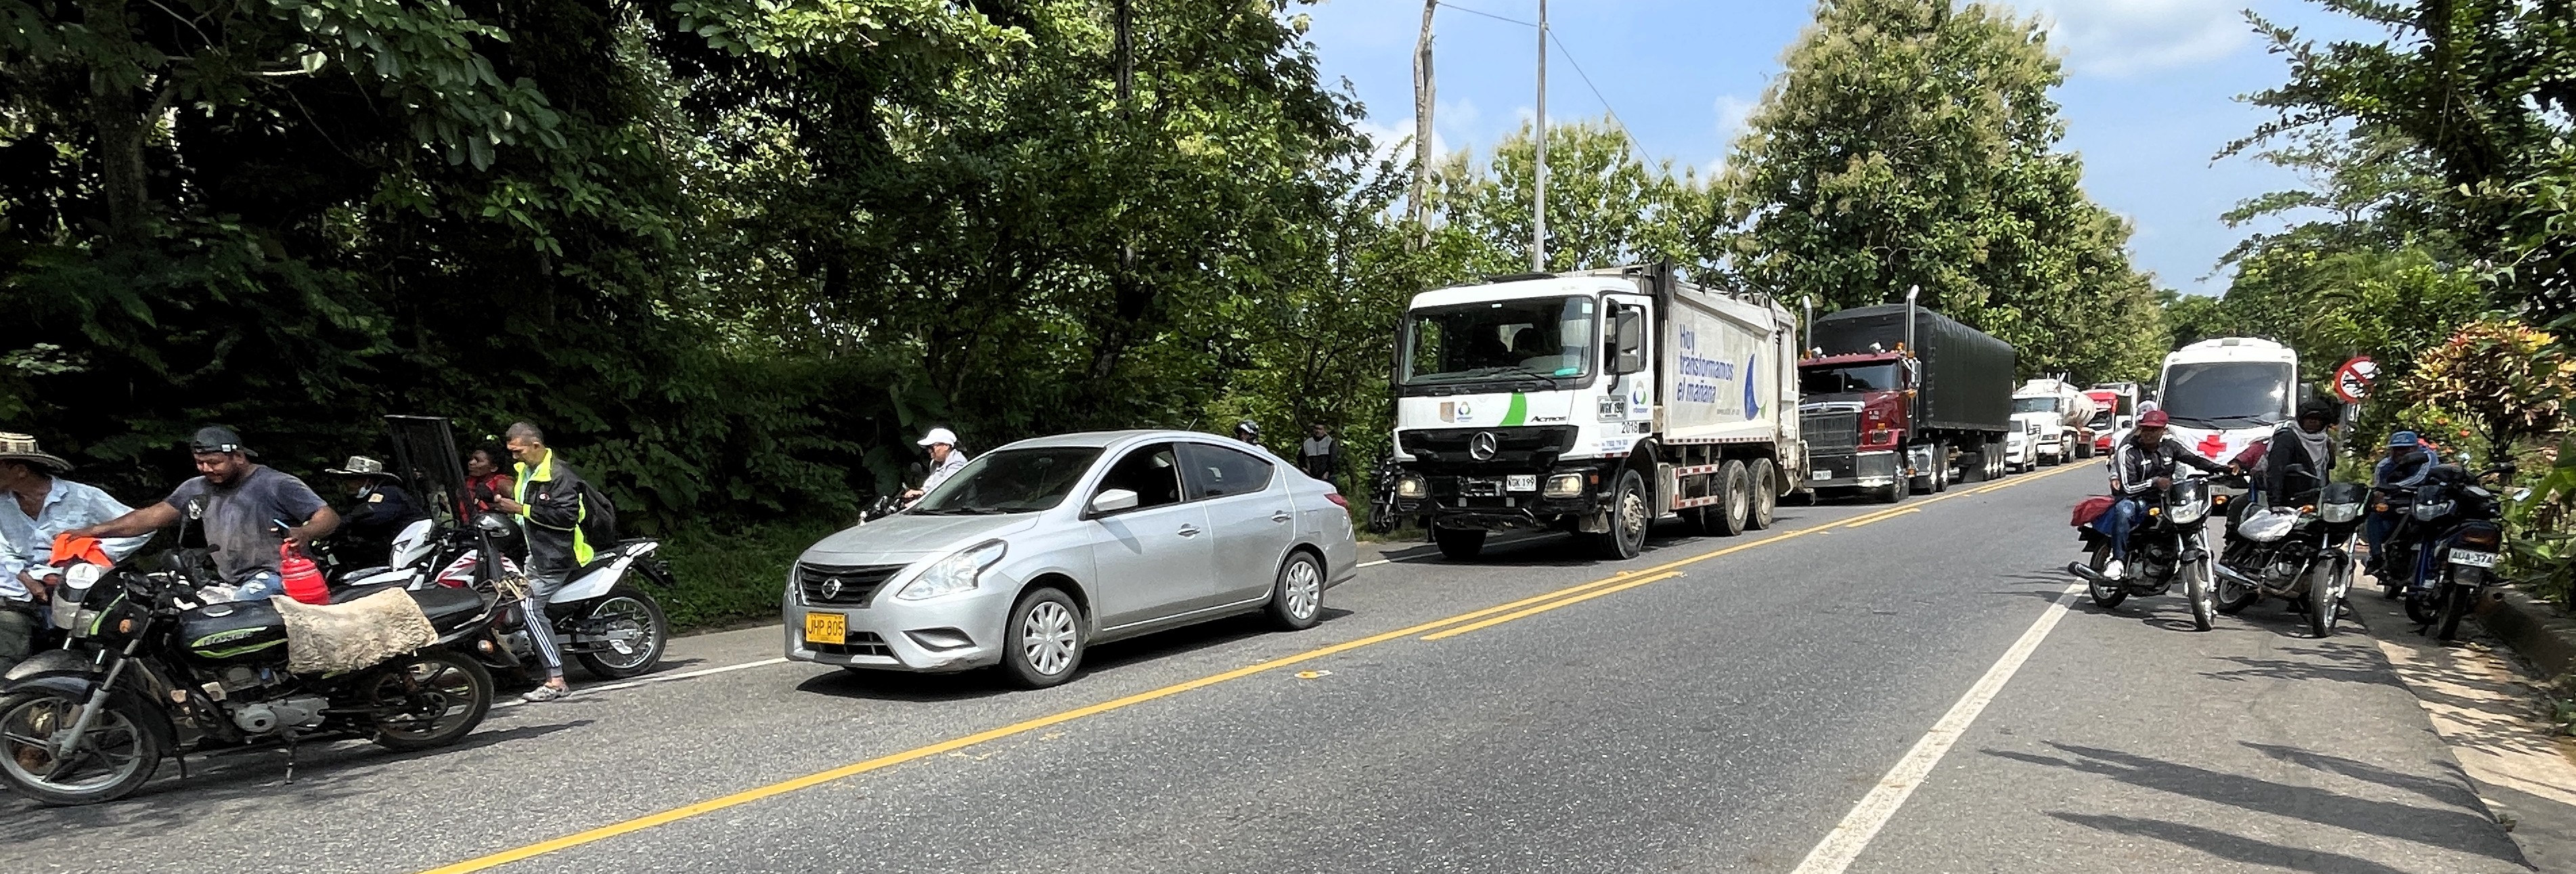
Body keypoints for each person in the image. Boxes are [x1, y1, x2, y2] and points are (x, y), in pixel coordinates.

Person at [68, 427, 338, 601]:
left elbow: (327, 516)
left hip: (276, 575)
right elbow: (150, 517)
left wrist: (305, 532)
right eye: (200, 463)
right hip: (227, 579)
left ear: (239, 457)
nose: (207, 469)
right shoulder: (196, 488)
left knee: (235, 619)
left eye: (215, 462)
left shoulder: (275, 483)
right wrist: (94, 531)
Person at [0, 433, 150, 673]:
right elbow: (3, 551)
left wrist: (89, 561)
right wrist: (27, 579)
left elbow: (139, 527)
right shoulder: (2, 504)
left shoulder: (82, 497)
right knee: (7, 643)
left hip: (81, 593)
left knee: (103, 656)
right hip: (18, 594)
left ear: (20, 470)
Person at [489, 422, 596, 703]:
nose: (514, 457)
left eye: (518, 451)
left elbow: (565, 517)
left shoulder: (560, 475)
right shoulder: (526, 470)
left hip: (558, 556)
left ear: (536, 446)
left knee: (529, 607)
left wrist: (520, 508)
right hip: (535, 554)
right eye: (510, 451)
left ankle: (556, 680)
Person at [2097, 410, 2233, 581]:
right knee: (2123, 510)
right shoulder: (2128, 451)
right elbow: (2127, 487)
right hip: (2136, 498)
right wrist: (2154, 482)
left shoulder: (2171, 447)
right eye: (2146, 429)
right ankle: (2118, 560)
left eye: (2154, 430)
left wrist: (2223, 469)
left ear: (2163, 431)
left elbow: (2195, 460)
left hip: (2165, 499)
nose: (2149, 434)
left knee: (2189, 516)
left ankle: (2178, 555)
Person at [2365, 430, 2439, 577]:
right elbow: (2379, 486)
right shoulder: (2384, 465)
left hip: (2424, 502)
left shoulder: (2427, 457)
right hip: (2396, 502)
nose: (2401, 452)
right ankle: (2376, 557)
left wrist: (2397, 486)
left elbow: (2421, 478)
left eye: (2406, 448)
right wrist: (2380, 494)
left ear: (2415, 448)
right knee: (2374, 516)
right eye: (2397, 448)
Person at [324, 456, 426, 563]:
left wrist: (344, 522)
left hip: (403, 556)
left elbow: (374, 514)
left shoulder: (388, 493)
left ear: (368, 480)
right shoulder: (358, 500)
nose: (348, 484)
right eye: (347, 479)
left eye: (353, 479)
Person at [2259, 401, 2338, 504]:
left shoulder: (2325, 442)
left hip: (2315, 501)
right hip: (2287, 502)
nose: (2313, 422)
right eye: (2309, 418)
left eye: (2318, 419)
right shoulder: (2287, 438)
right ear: (2301, 420)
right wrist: (2275, 504)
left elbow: (2328, 470)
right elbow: (2276, 471)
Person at [902, 428, 969, 504]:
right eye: (928, 448)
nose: (930, 451)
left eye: (932, 447)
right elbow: (932, 483)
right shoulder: (935, 463)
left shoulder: (957, 463)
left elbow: (946, 488)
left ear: (946, 446)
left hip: (958, 510)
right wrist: (921, 492)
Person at [464, 443, 516, 515]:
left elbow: (519, 500)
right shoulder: (467, 482)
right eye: (472, 459)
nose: (471, 463)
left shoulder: (502, 483)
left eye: (478, 460)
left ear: (493, 468)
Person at [1298, 423, 1346, 487]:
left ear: (1324, 431)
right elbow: (1300, 458)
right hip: (1312, 476)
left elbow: (1333, 460)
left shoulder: (1329, 441)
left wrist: (1328, 472)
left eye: (1320, 429)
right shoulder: (1307, 443)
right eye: (1316, 429)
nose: (1318, 431)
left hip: (1328, 476)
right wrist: (1304, 468)